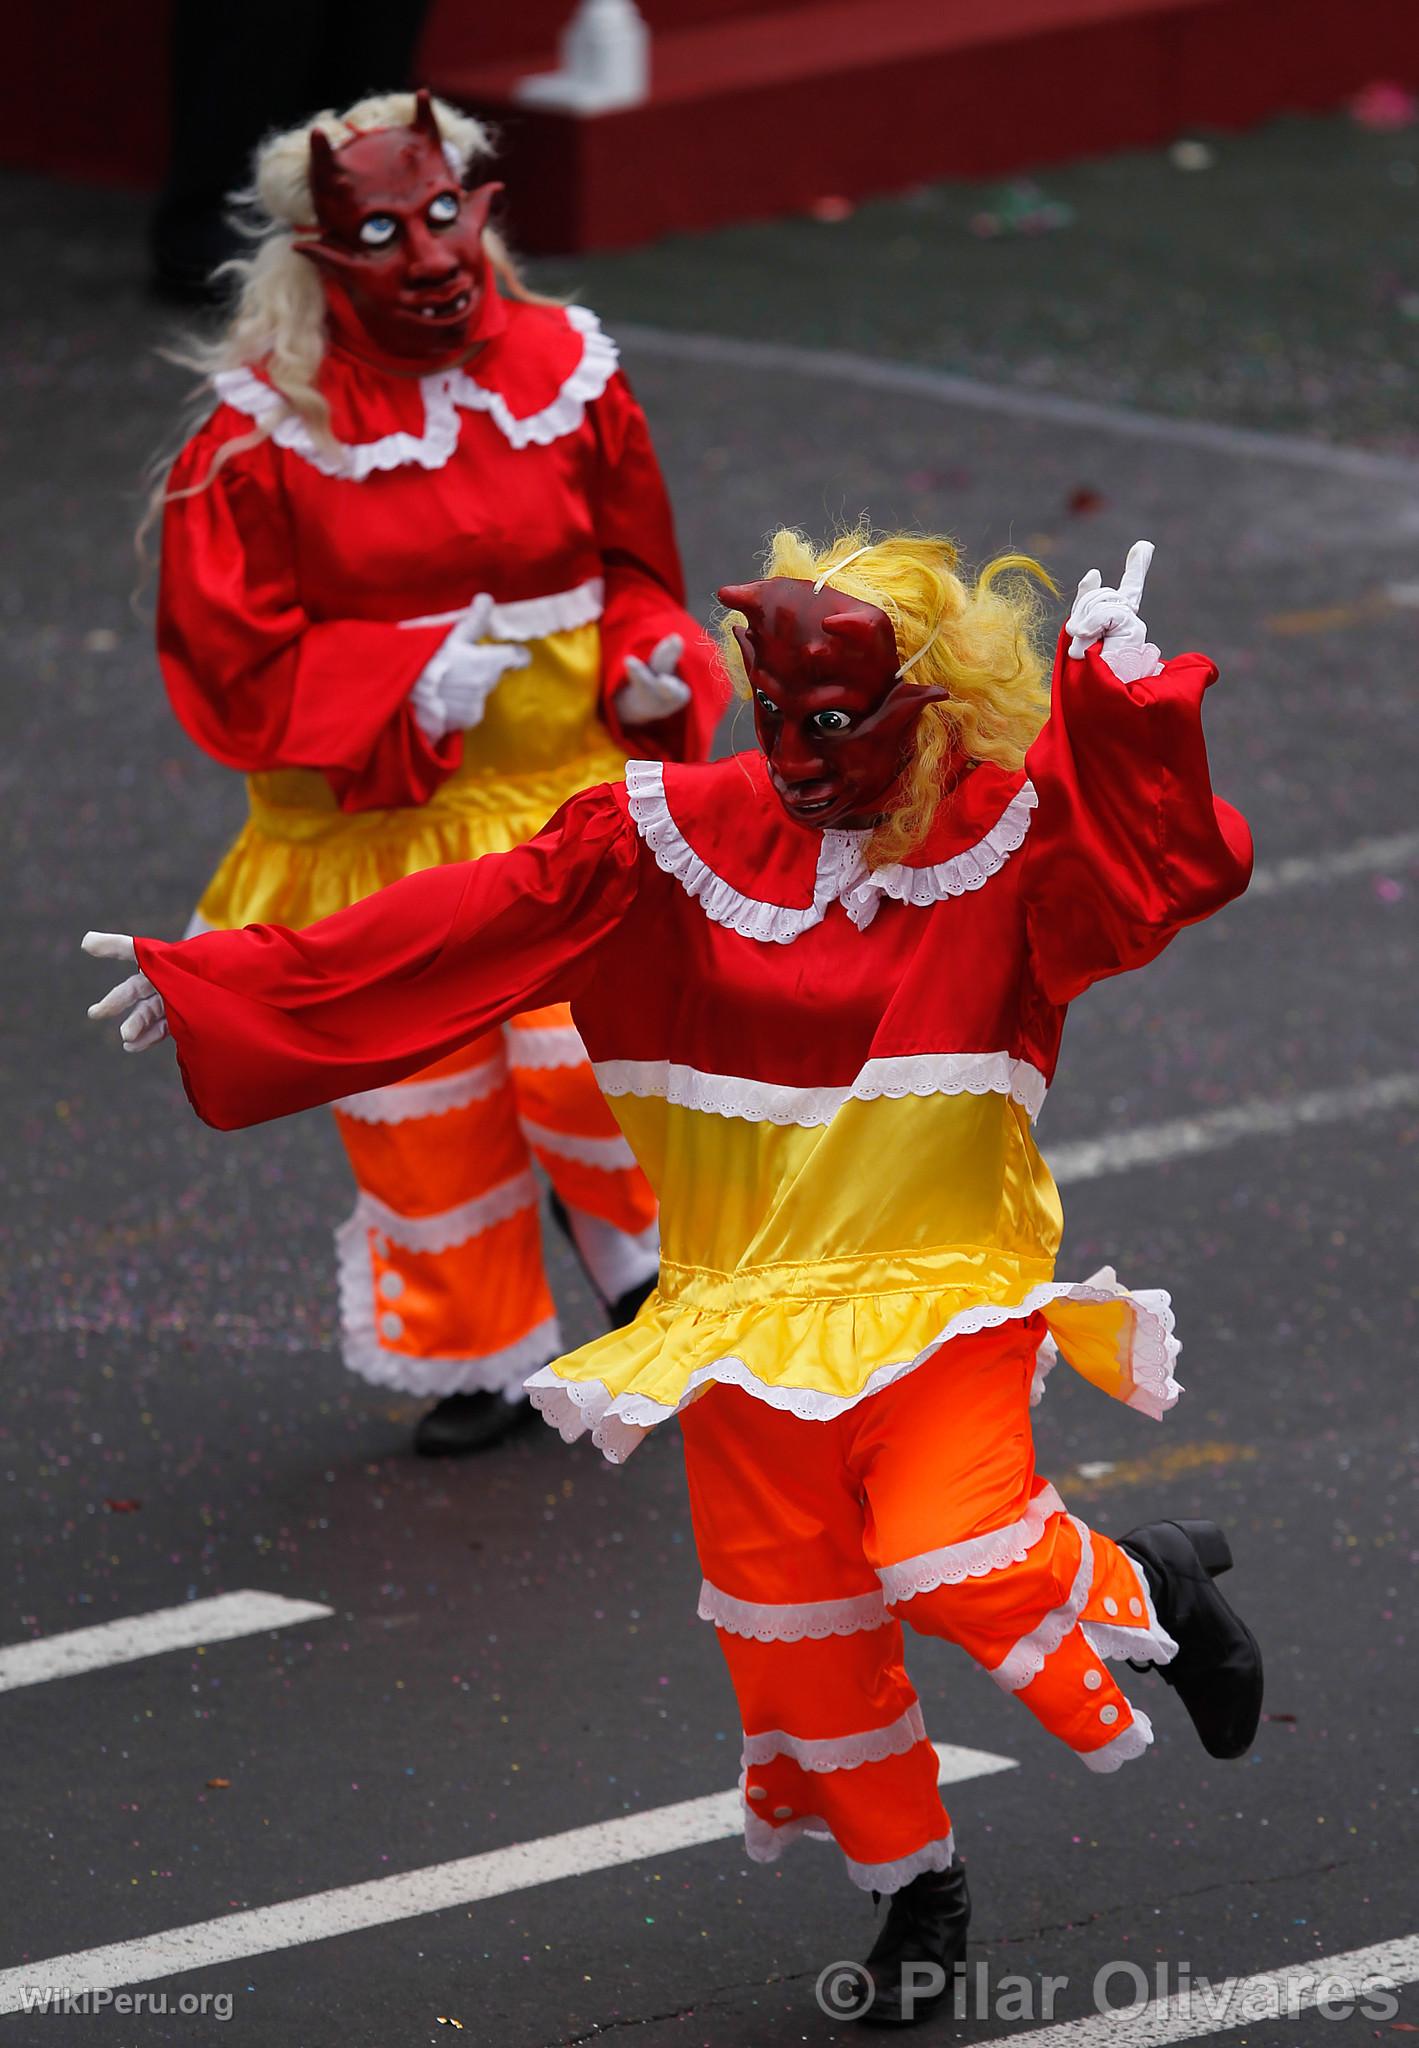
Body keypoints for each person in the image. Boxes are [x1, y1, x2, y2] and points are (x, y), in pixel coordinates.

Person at [87, 529, 1264, 2024]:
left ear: (934, 704)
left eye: (832, 721)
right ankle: (918, 1891)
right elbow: (468, 924)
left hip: (938, 1286)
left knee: (951, 1555)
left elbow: (1167, 879)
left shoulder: (1010, 841)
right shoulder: (669, 837)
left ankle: (1154, 1582)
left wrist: (1131, 719)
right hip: (729, 1312)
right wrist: (238, 983)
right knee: (801, 1637)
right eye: (771, 713)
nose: (792, 753)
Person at [147, 89, 725, 1455]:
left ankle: (650, 1272)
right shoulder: (261, 436)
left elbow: (638, 569)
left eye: (447, 219)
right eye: (388, 234)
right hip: (387, 826)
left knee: (587, 1053)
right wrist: (398, 683)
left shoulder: (568, 370)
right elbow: (229, 665)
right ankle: (481, 1352)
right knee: (427, 1106)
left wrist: (650, 659)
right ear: (324, 255)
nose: (430, 260)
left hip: (567, 799)